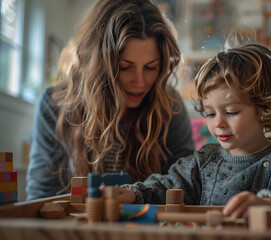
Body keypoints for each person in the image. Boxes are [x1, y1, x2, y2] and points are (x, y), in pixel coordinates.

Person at [118, 44, 271, 218]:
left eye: (231, 112)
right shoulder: (203, 161)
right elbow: (165, 187)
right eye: (210, 114)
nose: (218, 123)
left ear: (264, 108)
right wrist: (132, 194)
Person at [26, 0, 195, 200]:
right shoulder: (55, 104)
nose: (139, 82)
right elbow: (42, 196)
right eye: (124, 67)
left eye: (150, 67)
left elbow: (187, 184)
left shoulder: (169, 105)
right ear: (98, 65)